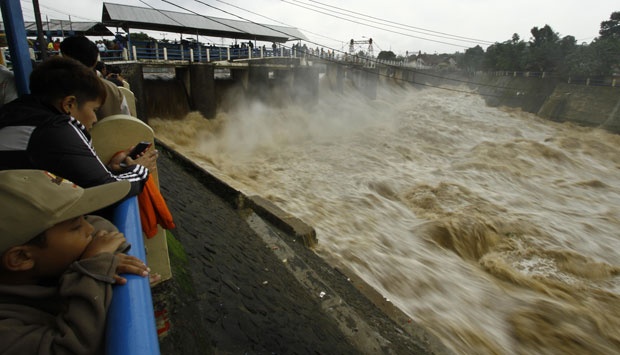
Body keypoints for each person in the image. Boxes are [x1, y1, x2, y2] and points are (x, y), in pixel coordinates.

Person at [0, 169, 149, 354]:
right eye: (76, 227)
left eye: (82, 217)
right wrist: (92, 268)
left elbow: (101, 228)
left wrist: (97, 257)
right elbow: (71, 348)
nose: (89, 228)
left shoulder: (46, 263)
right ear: (21, 258)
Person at [0, 56, 157, 201]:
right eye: (94, 110)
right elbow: (108, 191)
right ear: (69, 104)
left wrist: (111, 169)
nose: (95, 119)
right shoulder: (57, 128)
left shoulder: (12, 113)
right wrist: (140, 170)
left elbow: (74, 177)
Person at [60, 36, 130, 119]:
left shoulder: (55, 92)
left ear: (64, 59)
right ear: (95, 62)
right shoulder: (113, 90)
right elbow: (127, 120)